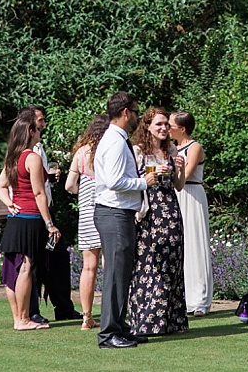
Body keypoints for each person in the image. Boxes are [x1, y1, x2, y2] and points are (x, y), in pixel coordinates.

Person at [93, 92, 159, 349]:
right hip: (113, 212)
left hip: (118, 212)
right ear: (124, 113)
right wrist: (145, 182)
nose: (138, 117)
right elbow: (113, 181)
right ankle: (109, 333)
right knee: (115, 274)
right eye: (135, 112)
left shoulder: (116, 139)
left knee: (122, 273)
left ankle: (119, 327)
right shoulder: (116, 141)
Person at [128, 107, 189, 336]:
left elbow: (179, 185)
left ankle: (172, 321)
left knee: (172, 264)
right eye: (159, 125)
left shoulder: (171, 149)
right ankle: (147, 321)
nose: (164, 128)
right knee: (149, 264)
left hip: (171, 211)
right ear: (147, 127)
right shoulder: (137, 151)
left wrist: (179, 170)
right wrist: (149, 177)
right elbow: (131, 181)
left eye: (166, 124)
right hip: (149, 211)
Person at [18, 105, 82, 324]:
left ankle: (63, 306)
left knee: (59, 257)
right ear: (29, 123)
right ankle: (32, 310)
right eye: (40, 120)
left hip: (46, 209)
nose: (43, 124)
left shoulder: (39, 148)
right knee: (34, 263)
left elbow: (39, 185)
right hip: (34, 214)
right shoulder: (22, 151)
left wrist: (49, 180)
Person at [0, 115, 60, 331]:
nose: (40, 131)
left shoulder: (12, 158)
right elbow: (39, 193)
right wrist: (49, 223)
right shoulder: (32, 158)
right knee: (26, 267)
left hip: (15, 219)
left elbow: (0, 186)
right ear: (30, 132)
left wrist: (9, 204)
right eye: (38, 129)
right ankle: (23, 319)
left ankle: (17, 318)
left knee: (13, 268)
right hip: (30, 218)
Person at [64, 114, 110, 330]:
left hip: (86, 213)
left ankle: (87, 317)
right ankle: (112, 312)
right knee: (109, 265)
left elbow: (69, 185)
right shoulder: (108, 150)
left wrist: (83, 192)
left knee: (88, 268)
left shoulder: (81, 153)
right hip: (107, 209)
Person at [169, 110, 214, 317]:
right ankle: (181, 297)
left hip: (192, 194)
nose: (168, 129)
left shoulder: (194, 147)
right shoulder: (170, 148)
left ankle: (200, 299)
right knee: (179, 246)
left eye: (171, 126)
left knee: (195, 243)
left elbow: (186, 175)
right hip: (176, 196)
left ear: (182, 129)